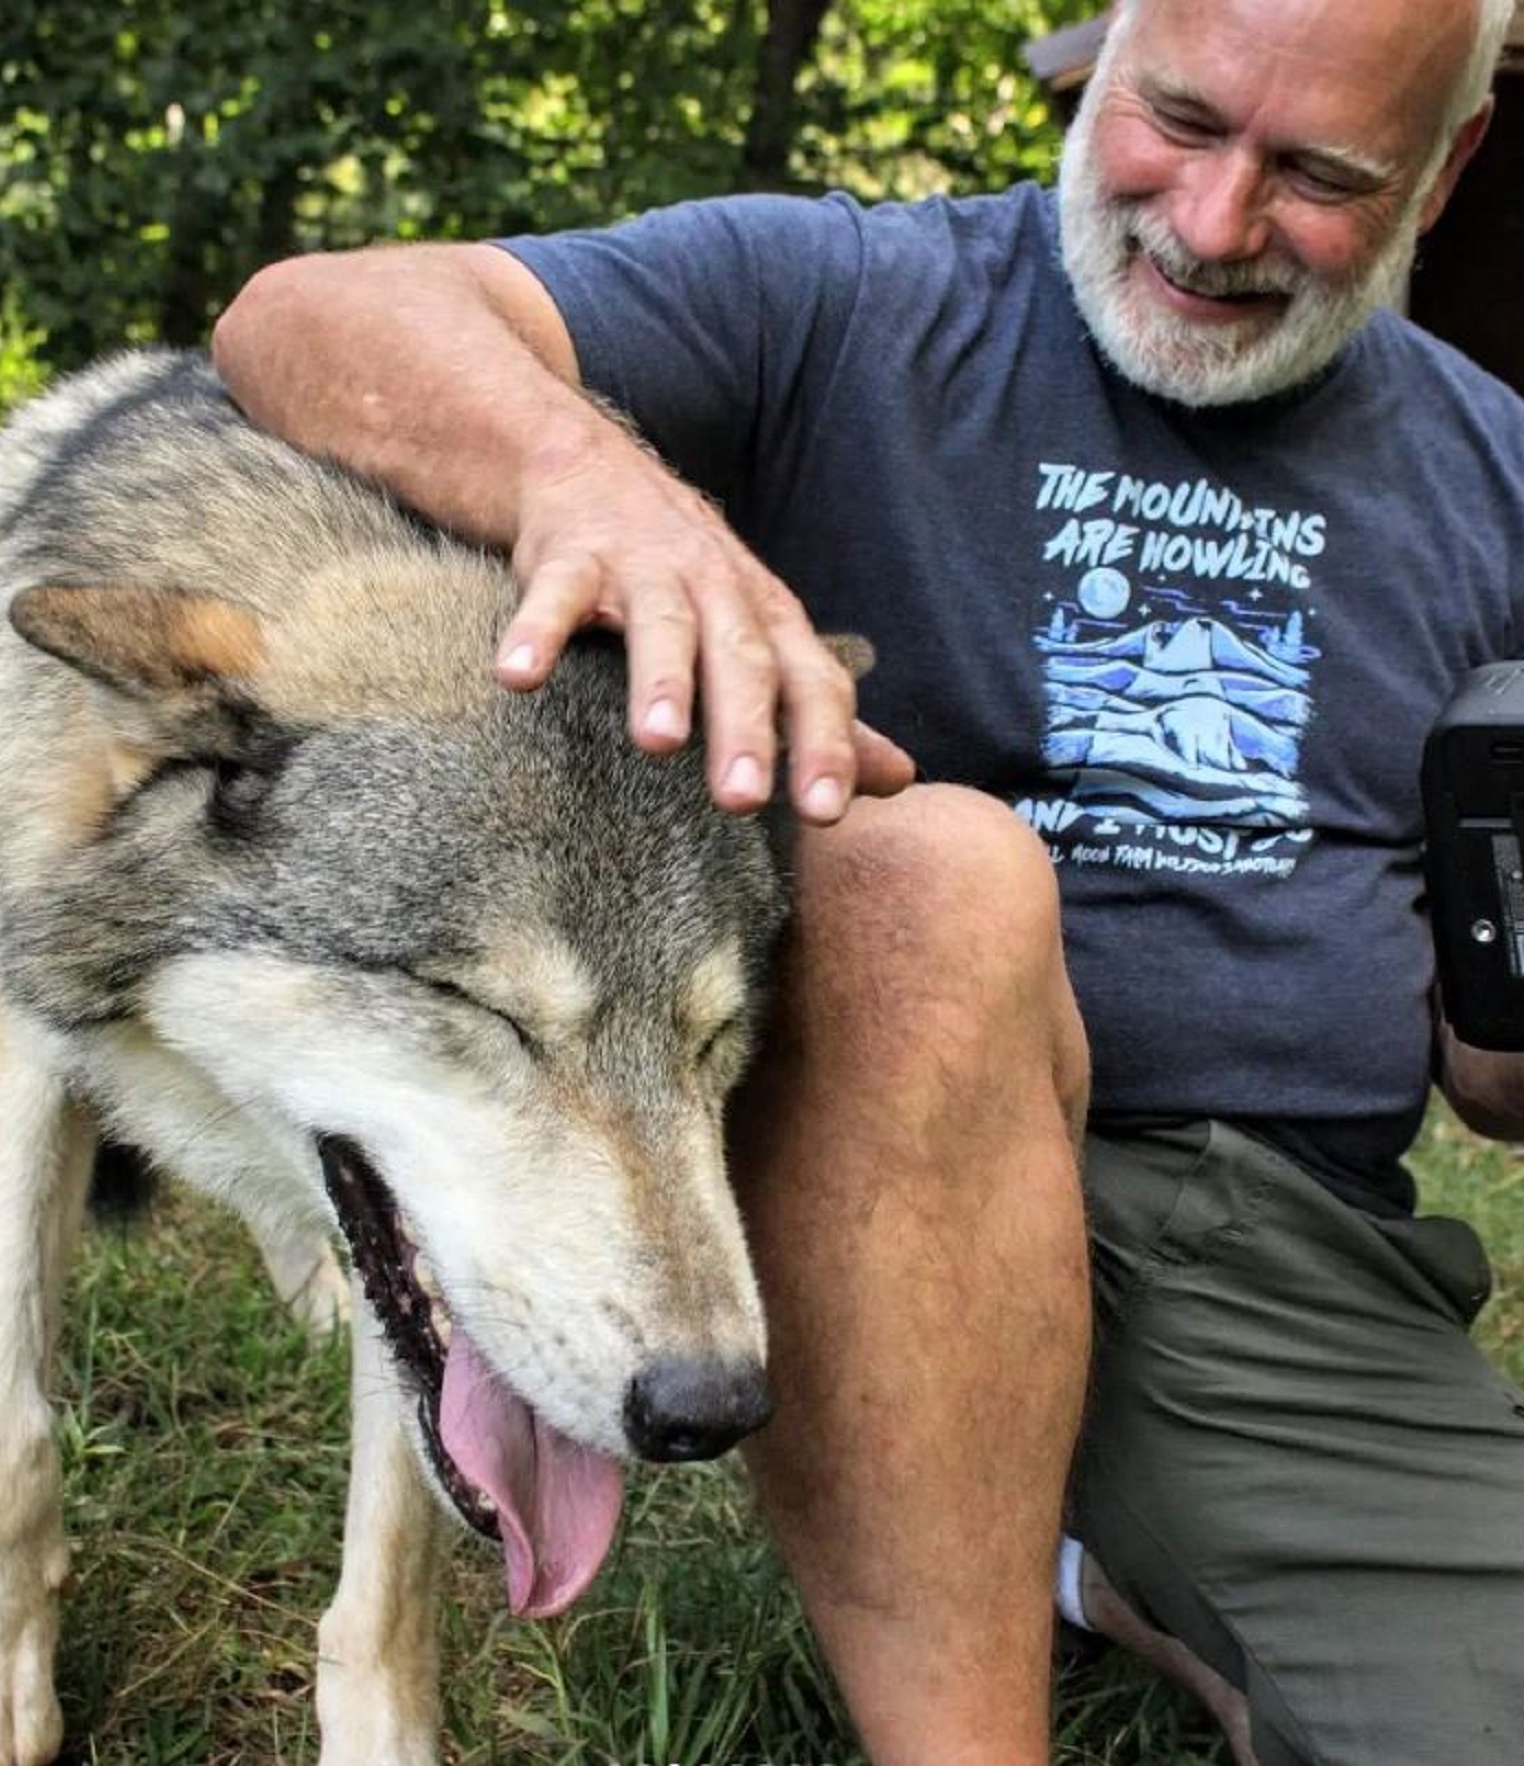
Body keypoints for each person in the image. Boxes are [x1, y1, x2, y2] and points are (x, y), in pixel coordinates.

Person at [211, 0, 1524, 1758]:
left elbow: (1494, 1070)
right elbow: (303, 319)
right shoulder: (841, 295)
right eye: (1181, 119)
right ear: (1105, 57)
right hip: (860, 1144)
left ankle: (1094, 1551)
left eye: (1318, 173)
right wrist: (603, 488)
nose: (1213, 223)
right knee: (930, 879)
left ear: (1447, 171)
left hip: (1274, 1253)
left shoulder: (1496, 471)